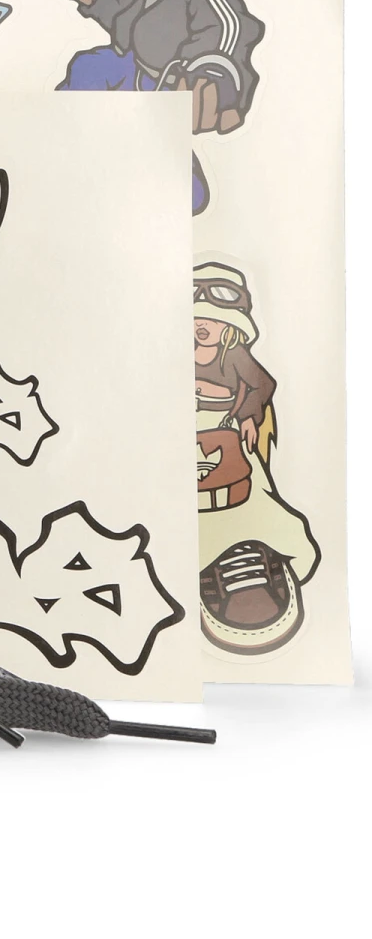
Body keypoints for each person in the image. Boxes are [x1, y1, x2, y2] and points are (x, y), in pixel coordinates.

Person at [192, 261, 318, 655]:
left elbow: (263, 384)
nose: (203, 327)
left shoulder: (234, 356)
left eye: (213, 320)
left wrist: (247, 415)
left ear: (230, 325)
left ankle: (248, 547)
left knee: (247, 490)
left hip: (227, 427)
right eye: (197, 319)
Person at [60, 0, 264, 134]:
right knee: (87, 66)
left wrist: (213, 71)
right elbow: (124, 22)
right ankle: (60, 126)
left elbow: (231, 24)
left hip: (173, 81)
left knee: (151, 131)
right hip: (135, 68)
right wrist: (98, 0)